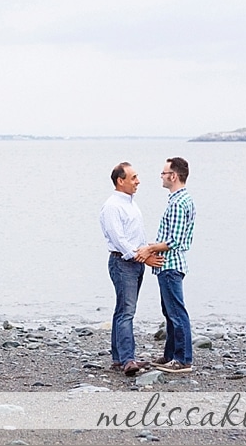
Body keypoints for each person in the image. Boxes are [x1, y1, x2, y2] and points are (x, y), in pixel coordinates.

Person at [100, 162, 164, 376]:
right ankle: (128, 359)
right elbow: (119, 239)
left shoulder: (131, 203)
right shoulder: (112, 206)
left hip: (134, 262)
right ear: (121, 180)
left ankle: (119, 358)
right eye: (133, 177)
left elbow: (136, 235)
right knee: (127, 311)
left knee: (122, 310)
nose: (138, 181)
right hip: (123, 262)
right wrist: (142, 257)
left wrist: (147, 251)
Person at [136, 157, 196, 374]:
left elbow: (175, 241)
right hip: (168, 264)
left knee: (177, 312)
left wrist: (150, 249)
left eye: (164, 173)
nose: (161, 176)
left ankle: (182, 359)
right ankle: (170, 355)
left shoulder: (179, 202)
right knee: (170, 311)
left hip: (171, 264)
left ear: (174, 175)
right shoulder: (177, 200)